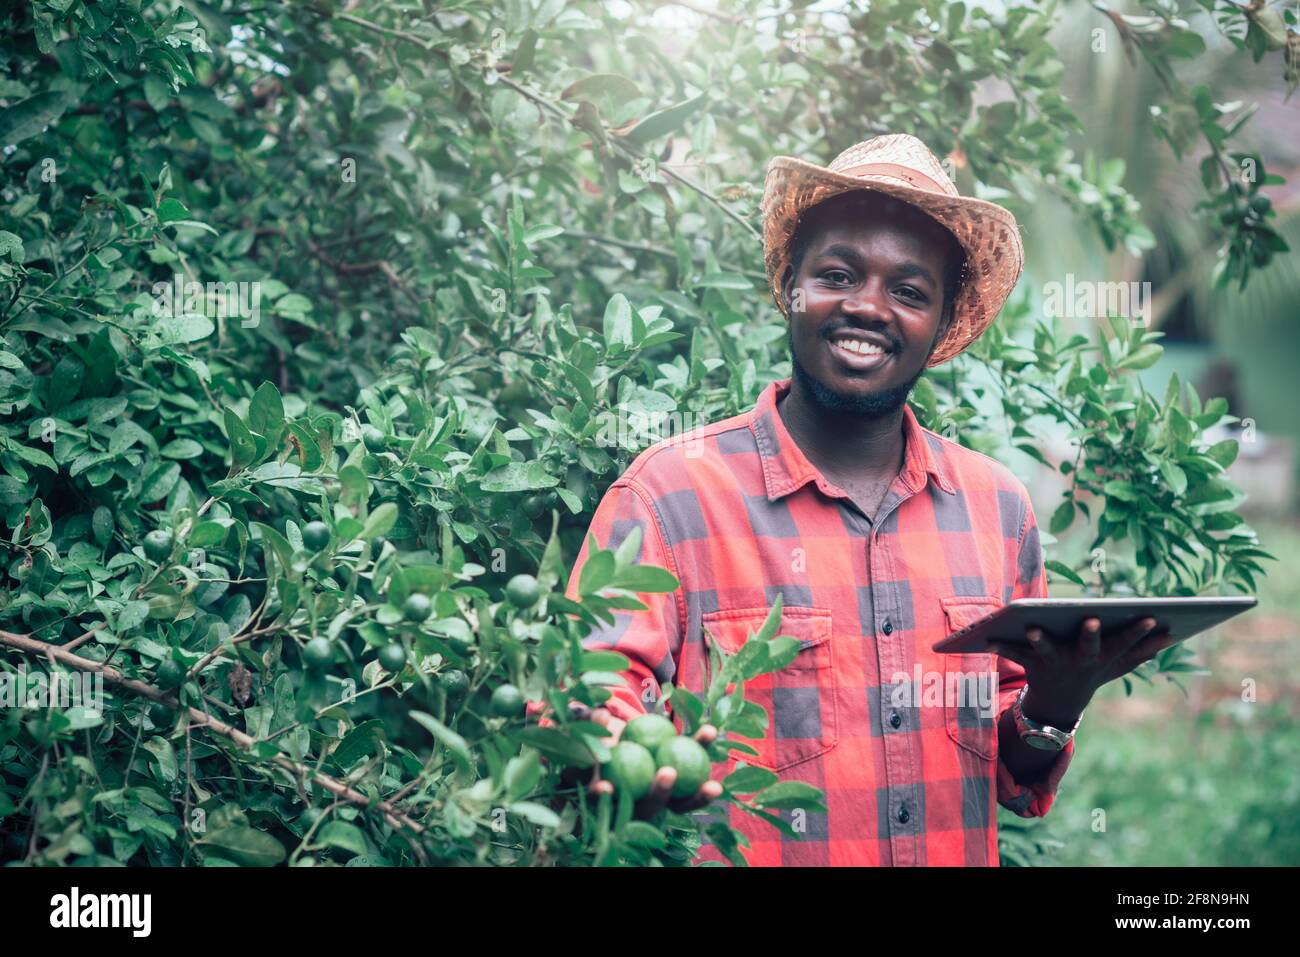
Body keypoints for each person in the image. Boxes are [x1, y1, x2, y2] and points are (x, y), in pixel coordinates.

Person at [564, 133, 1177, 866]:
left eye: (910, 291)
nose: (869, 307)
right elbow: (591, 693)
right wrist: (616, 753)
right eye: (837, 273)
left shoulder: (997, 509)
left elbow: (1014, 777)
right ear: (791, 284)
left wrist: (1055, 705)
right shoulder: (668, 496)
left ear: (943, 321)